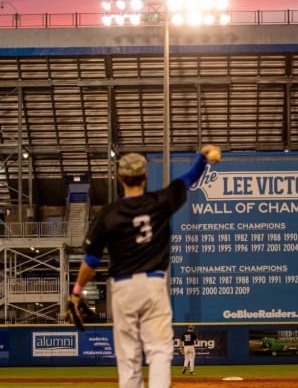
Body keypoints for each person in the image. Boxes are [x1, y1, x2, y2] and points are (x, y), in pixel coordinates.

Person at [71, 146, 221, 388]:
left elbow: (91, 261)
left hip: (122, 289)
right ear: (145, 177)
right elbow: (187, 179)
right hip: (153, 285)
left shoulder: (108, 214)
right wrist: (202, 158)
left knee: (129, 358)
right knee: (160, 351)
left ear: (120, 178)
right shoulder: (160, 201)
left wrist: (76, 292)